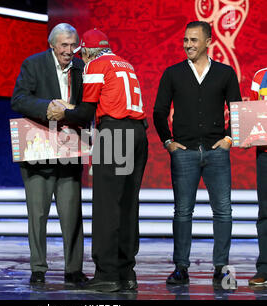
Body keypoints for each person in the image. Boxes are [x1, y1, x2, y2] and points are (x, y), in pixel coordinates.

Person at [47, 28, 149, 292]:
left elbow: (85, 113)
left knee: (106, 206)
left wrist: (63, 112)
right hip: (138, 134)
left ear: (89, 50)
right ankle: (127, 273)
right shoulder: (124, 63)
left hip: (115, 135)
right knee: (128, 205)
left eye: (83, 52)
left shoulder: (96, 64)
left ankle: (107, 274)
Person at [153, 21, 241, 286]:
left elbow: (236, 108)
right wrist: (168, 142)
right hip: (184, 152)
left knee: (223, 211)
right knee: (182, 212)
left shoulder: (225, 73)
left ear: (208, 42)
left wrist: (228, 138)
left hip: (217, 152)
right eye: (185, 40)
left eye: (193, 40)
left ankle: (221, 267)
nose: (187, 45)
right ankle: (181, 267)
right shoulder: (173, 73)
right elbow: (159, 111)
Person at [11, 23, 88, 286]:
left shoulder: (82, 67)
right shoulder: (33, 64)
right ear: (52, 44)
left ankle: (74, 269)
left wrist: (72, 111)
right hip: (38, 149)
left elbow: (90, 103)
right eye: (64, 45)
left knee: (72, 214)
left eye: (72, 45)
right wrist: (49, 107)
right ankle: (38, 268)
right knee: (38, 213)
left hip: (71, 148)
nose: (69, 51)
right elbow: (18, 99)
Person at [248, 67, 267, 285]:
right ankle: (264, 268)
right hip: (265, 154)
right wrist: (248, 133)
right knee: (265, 213)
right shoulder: (260, 77)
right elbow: (253, 114)